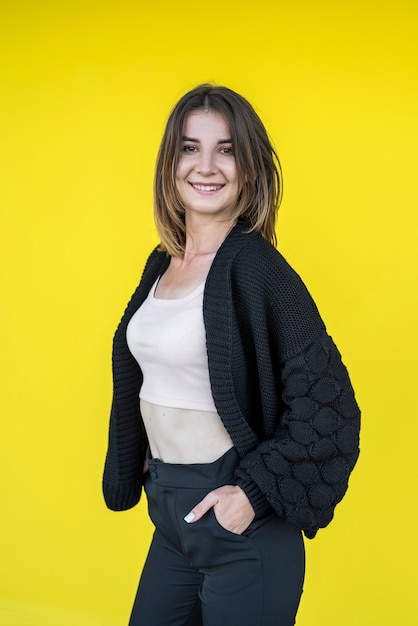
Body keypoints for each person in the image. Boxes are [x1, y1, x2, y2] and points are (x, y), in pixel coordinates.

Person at [102, 84, 360, 626]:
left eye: (227, 149)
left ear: (250, 167)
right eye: (190, 147)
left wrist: (253, 494)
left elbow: (331, 413)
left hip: (242, 528)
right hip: (173, 518)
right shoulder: (162, 265)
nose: (207, 165)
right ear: (170, 163)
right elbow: (151, 376)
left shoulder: (259, 270)